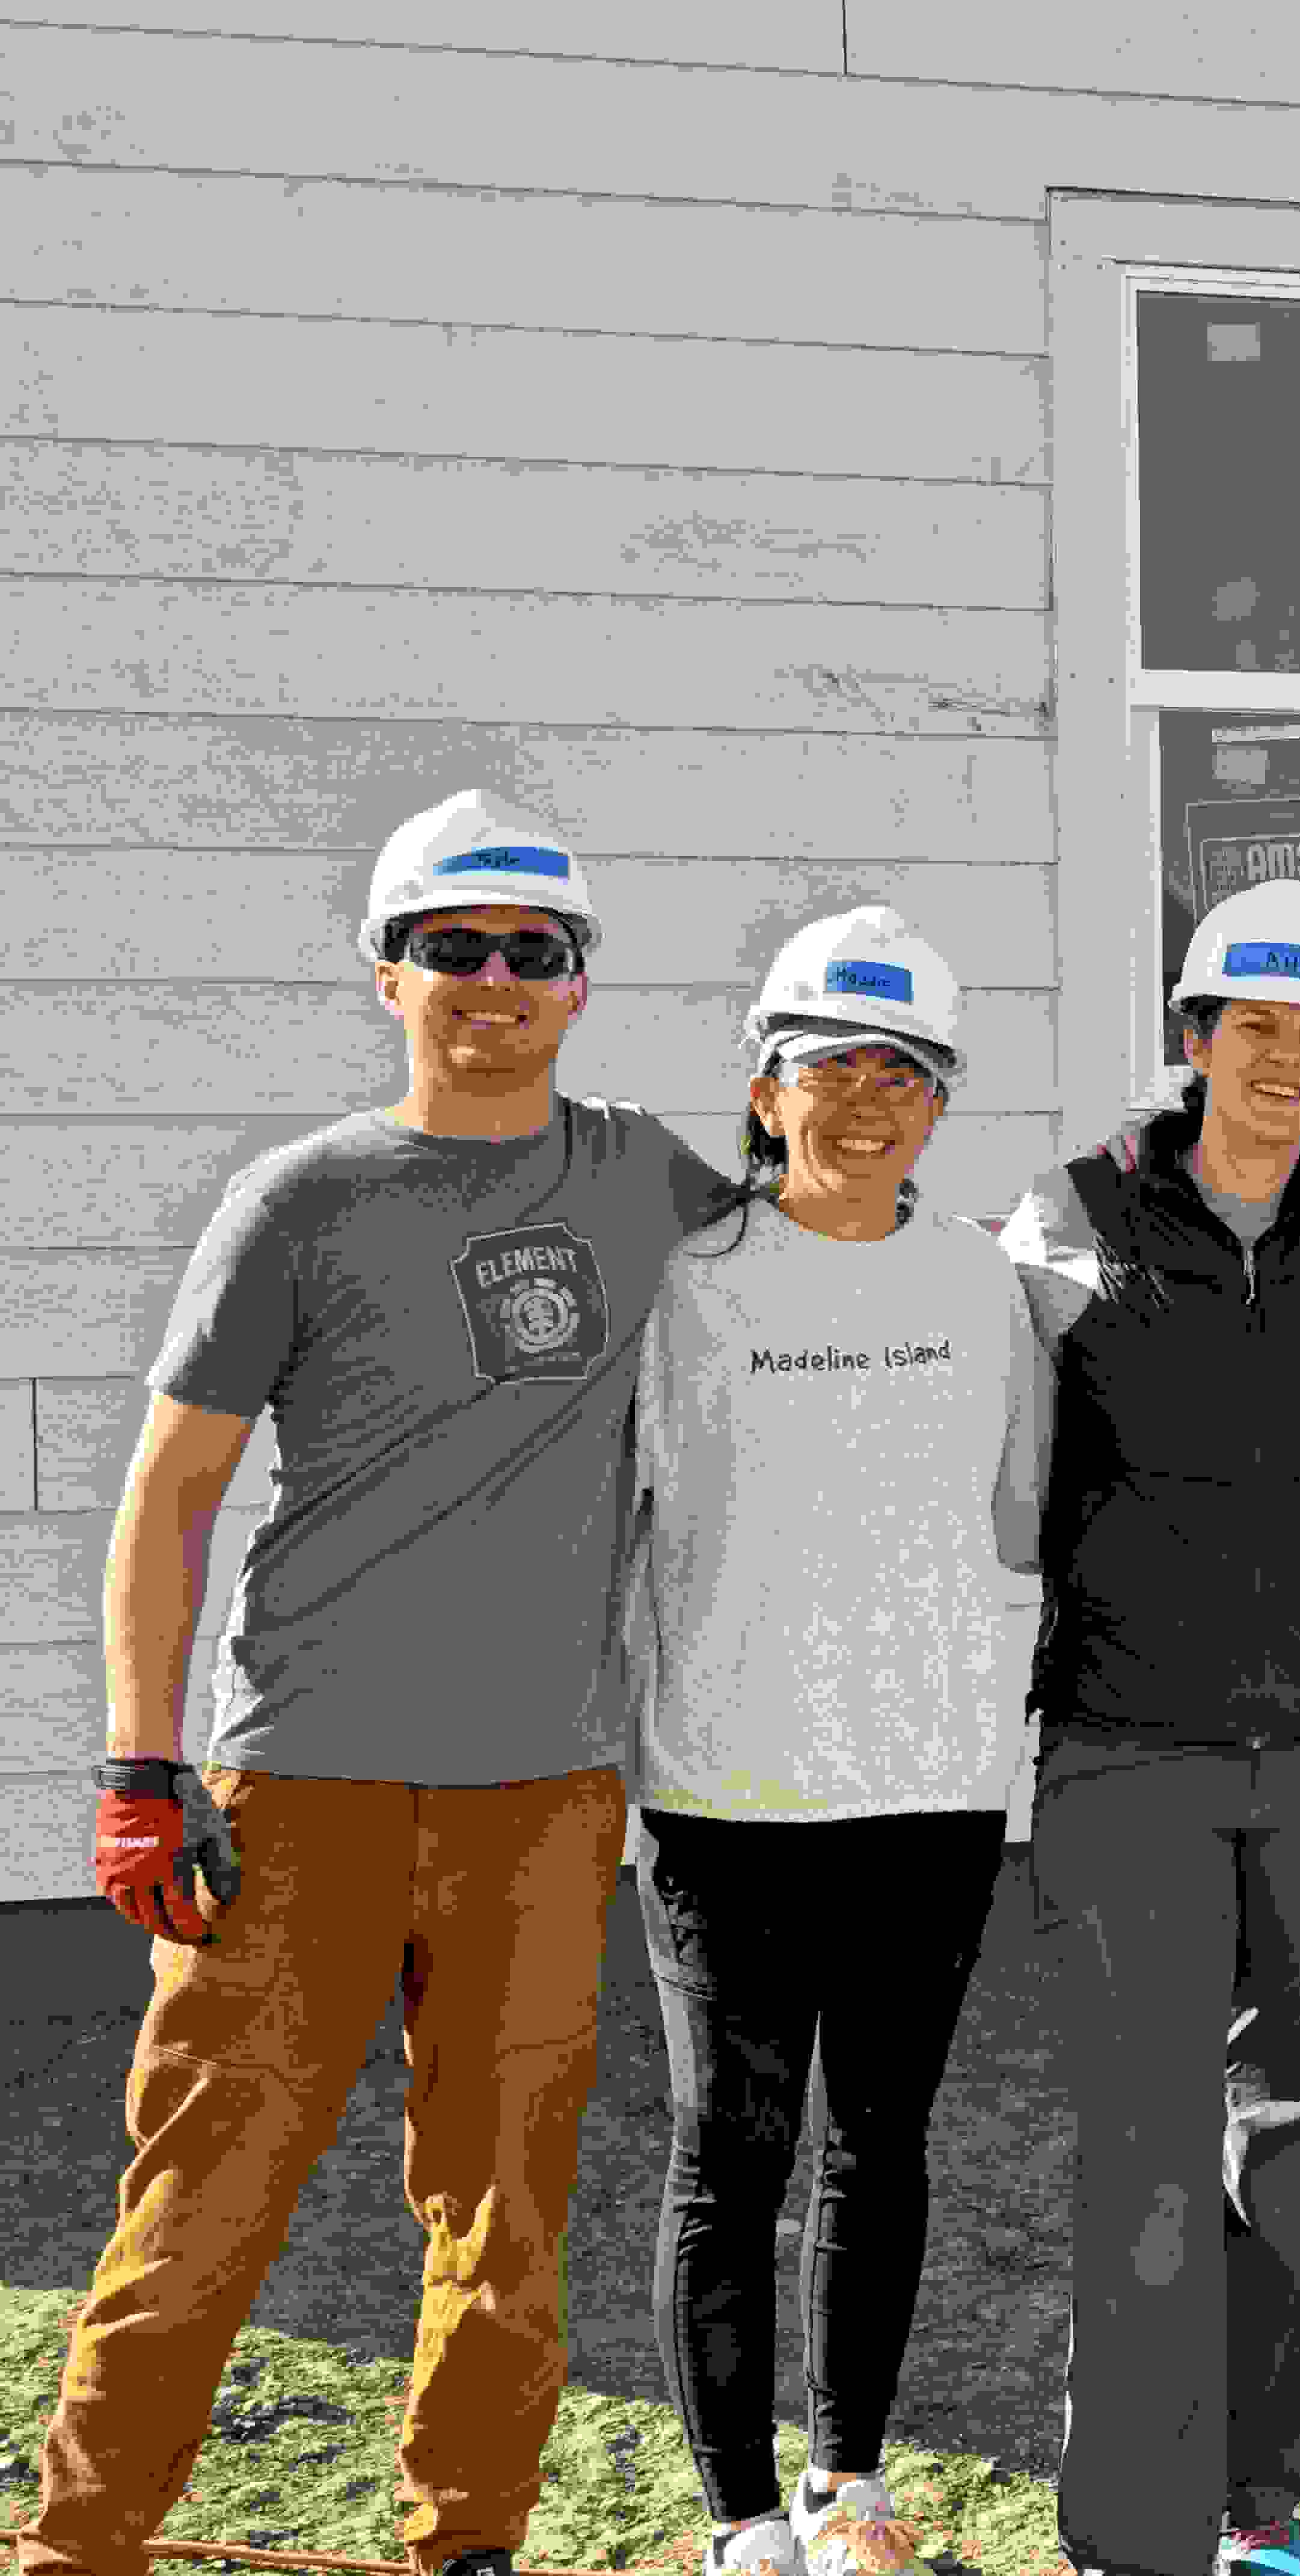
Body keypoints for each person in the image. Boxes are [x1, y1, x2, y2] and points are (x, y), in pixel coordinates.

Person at [25, 792, 738, 2576]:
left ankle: (469, 2537)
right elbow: (169, 1494)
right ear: (386, 972)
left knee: (506, 2210)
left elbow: (823, 1275)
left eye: (531, 951)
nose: (492, 981)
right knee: (207, 2190)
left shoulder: (650, 1181)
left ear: (580, 984)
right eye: (452, 946)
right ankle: (83, 2539)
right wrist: (137, 1760)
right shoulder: (305, 1200)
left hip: (549, 1794)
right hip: (305, 1784)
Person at [1002, 883, 1300, 2576]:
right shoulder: (1067, 1214)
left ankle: (1254, 2493)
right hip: (1132, 1741)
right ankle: (1129, 2525)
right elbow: (1013, 1481)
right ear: (1191, 1038)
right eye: (1253, 1024)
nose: (1286, 1060)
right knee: (1146, 2139)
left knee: (1297, 2126)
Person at [627, 907, 1050, 2576]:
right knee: (731, 2151)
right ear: (763, 1085)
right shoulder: (686, 1287)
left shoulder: (987, 1285)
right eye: (832, 1065)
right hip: (728, 1794)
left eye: (908, 1071)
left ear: (942, 1105)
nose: (870, 1100)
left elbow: (1026, 1510)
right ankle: (741, 2518)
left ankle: (850, 2482)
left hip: (934, 1792)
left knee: (880, 2143)